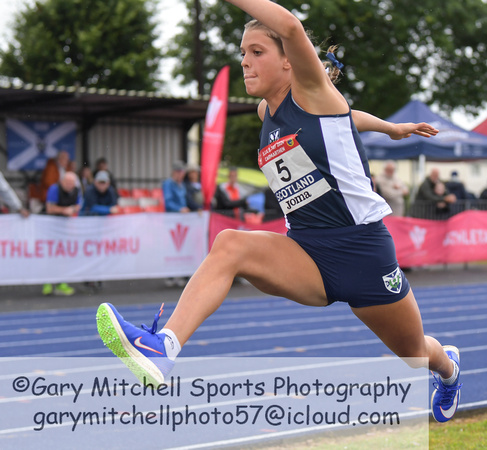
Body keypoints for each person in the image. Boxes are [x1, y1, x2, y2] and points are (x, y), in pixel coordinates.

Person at [96, 0, 461, 424]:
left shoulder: (311, 92)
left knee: (416, 355)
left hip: (363, 252)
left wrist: (388, 127)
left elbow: (290, 27)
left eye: (257, 52)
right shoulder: (266, 112)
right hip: (307, 253)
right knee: (229, 244)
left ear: (289, 62)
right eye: (242, 53)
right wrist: (387, 126)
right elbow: (344, 118)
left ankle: (449, 368)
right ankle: (163, 349)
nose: (245, 63)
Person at [42, 171, 81, 296]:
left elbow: (78, 205)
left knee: (63, 255)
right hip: (50, 227)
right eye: (67, 182)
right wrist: (65, 210)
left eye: (72, 183)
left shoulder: (76, 190)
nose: (70, 185)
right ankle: (47, 282)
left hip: (65, 227)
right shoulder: (54, 189)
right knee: (50, 255)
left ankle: (61, 282)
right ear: (62, 181)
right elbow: (49, 208)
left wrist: (73, 210)